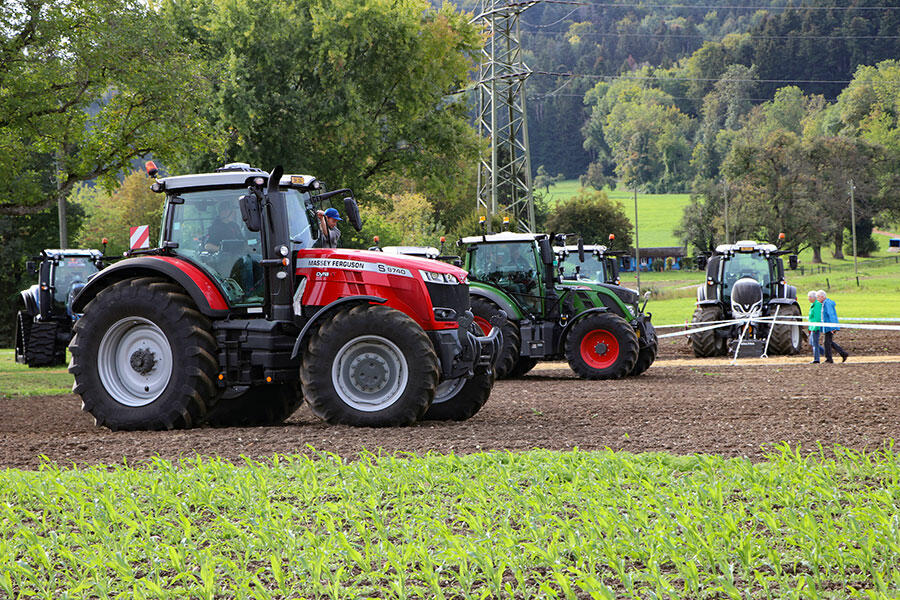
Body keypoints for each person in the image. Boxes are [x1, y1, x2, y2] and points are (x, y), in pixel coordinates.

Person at [817, 289, 849, 363]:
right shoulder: (825, 303)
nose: (817, 299)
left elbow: (831, 315)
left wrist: (833, 327)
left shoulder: (827, 304)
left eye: (818, 297)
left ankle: (829, 359)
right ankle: (843, 354)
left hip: (829, 327)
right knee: (829, 342)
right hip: (827, 327)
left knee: (827, 342)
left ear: (822, 297)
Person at [806, 290, 826, 364]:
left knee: (814, 343)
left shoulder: (817, 305)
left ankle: (816, 359)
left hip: (815, 327)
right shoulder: (813, 305)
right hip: (812, 327)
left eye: (809, 297)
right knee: (812, 342)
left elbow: (817, 317)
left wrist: (815, 326)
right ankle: (825, 353)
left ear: (813, 298)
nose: (808, 299)